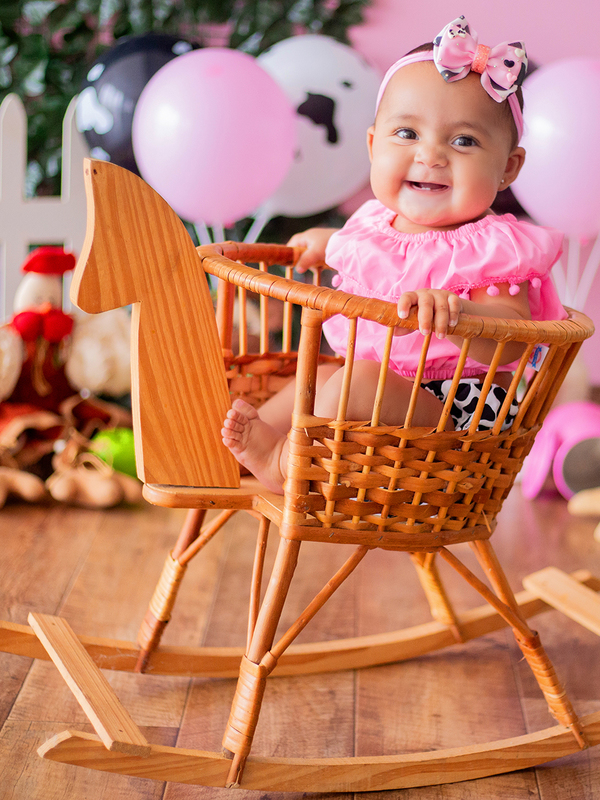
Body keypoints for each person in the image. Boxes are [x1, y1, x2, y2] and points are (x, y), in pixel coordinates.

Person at [222, 16, 566, 493]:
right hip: (385, 395)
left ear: (507, 168)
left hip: (456, 412)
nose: (431, 156)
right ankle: (241, 450)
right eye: (407, 134)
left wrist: (460, 314)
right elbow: (365, 253)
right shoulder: (371, 224)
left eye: (463, 141)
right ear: (372, 145)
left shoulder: (493, 247)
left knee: (356, 380)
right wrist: (327, 242)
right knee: (322, 373)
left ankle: (284, 464)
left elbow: (513, 338)